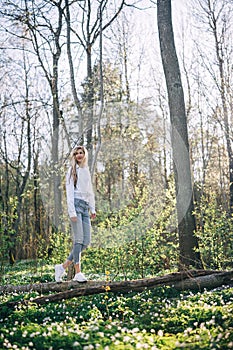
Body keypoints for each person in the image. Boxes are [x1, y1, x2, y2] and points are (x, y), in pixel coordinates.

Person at [55, 146, 96, 283]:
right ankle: (78, 272)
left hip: (85, 208)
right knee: (78, 240)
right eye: (77, 153)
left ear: (85, 155)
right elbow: (70, 193)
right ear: (74, 156)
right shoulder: (72, 170)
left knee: (86, 242)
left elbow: (90, 191)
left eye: (81, 153)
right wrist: (72, 211)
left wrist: (92, 208)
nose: (79, 155)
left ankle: (62, 267)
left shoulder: (86, 171)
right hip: (76, 207)